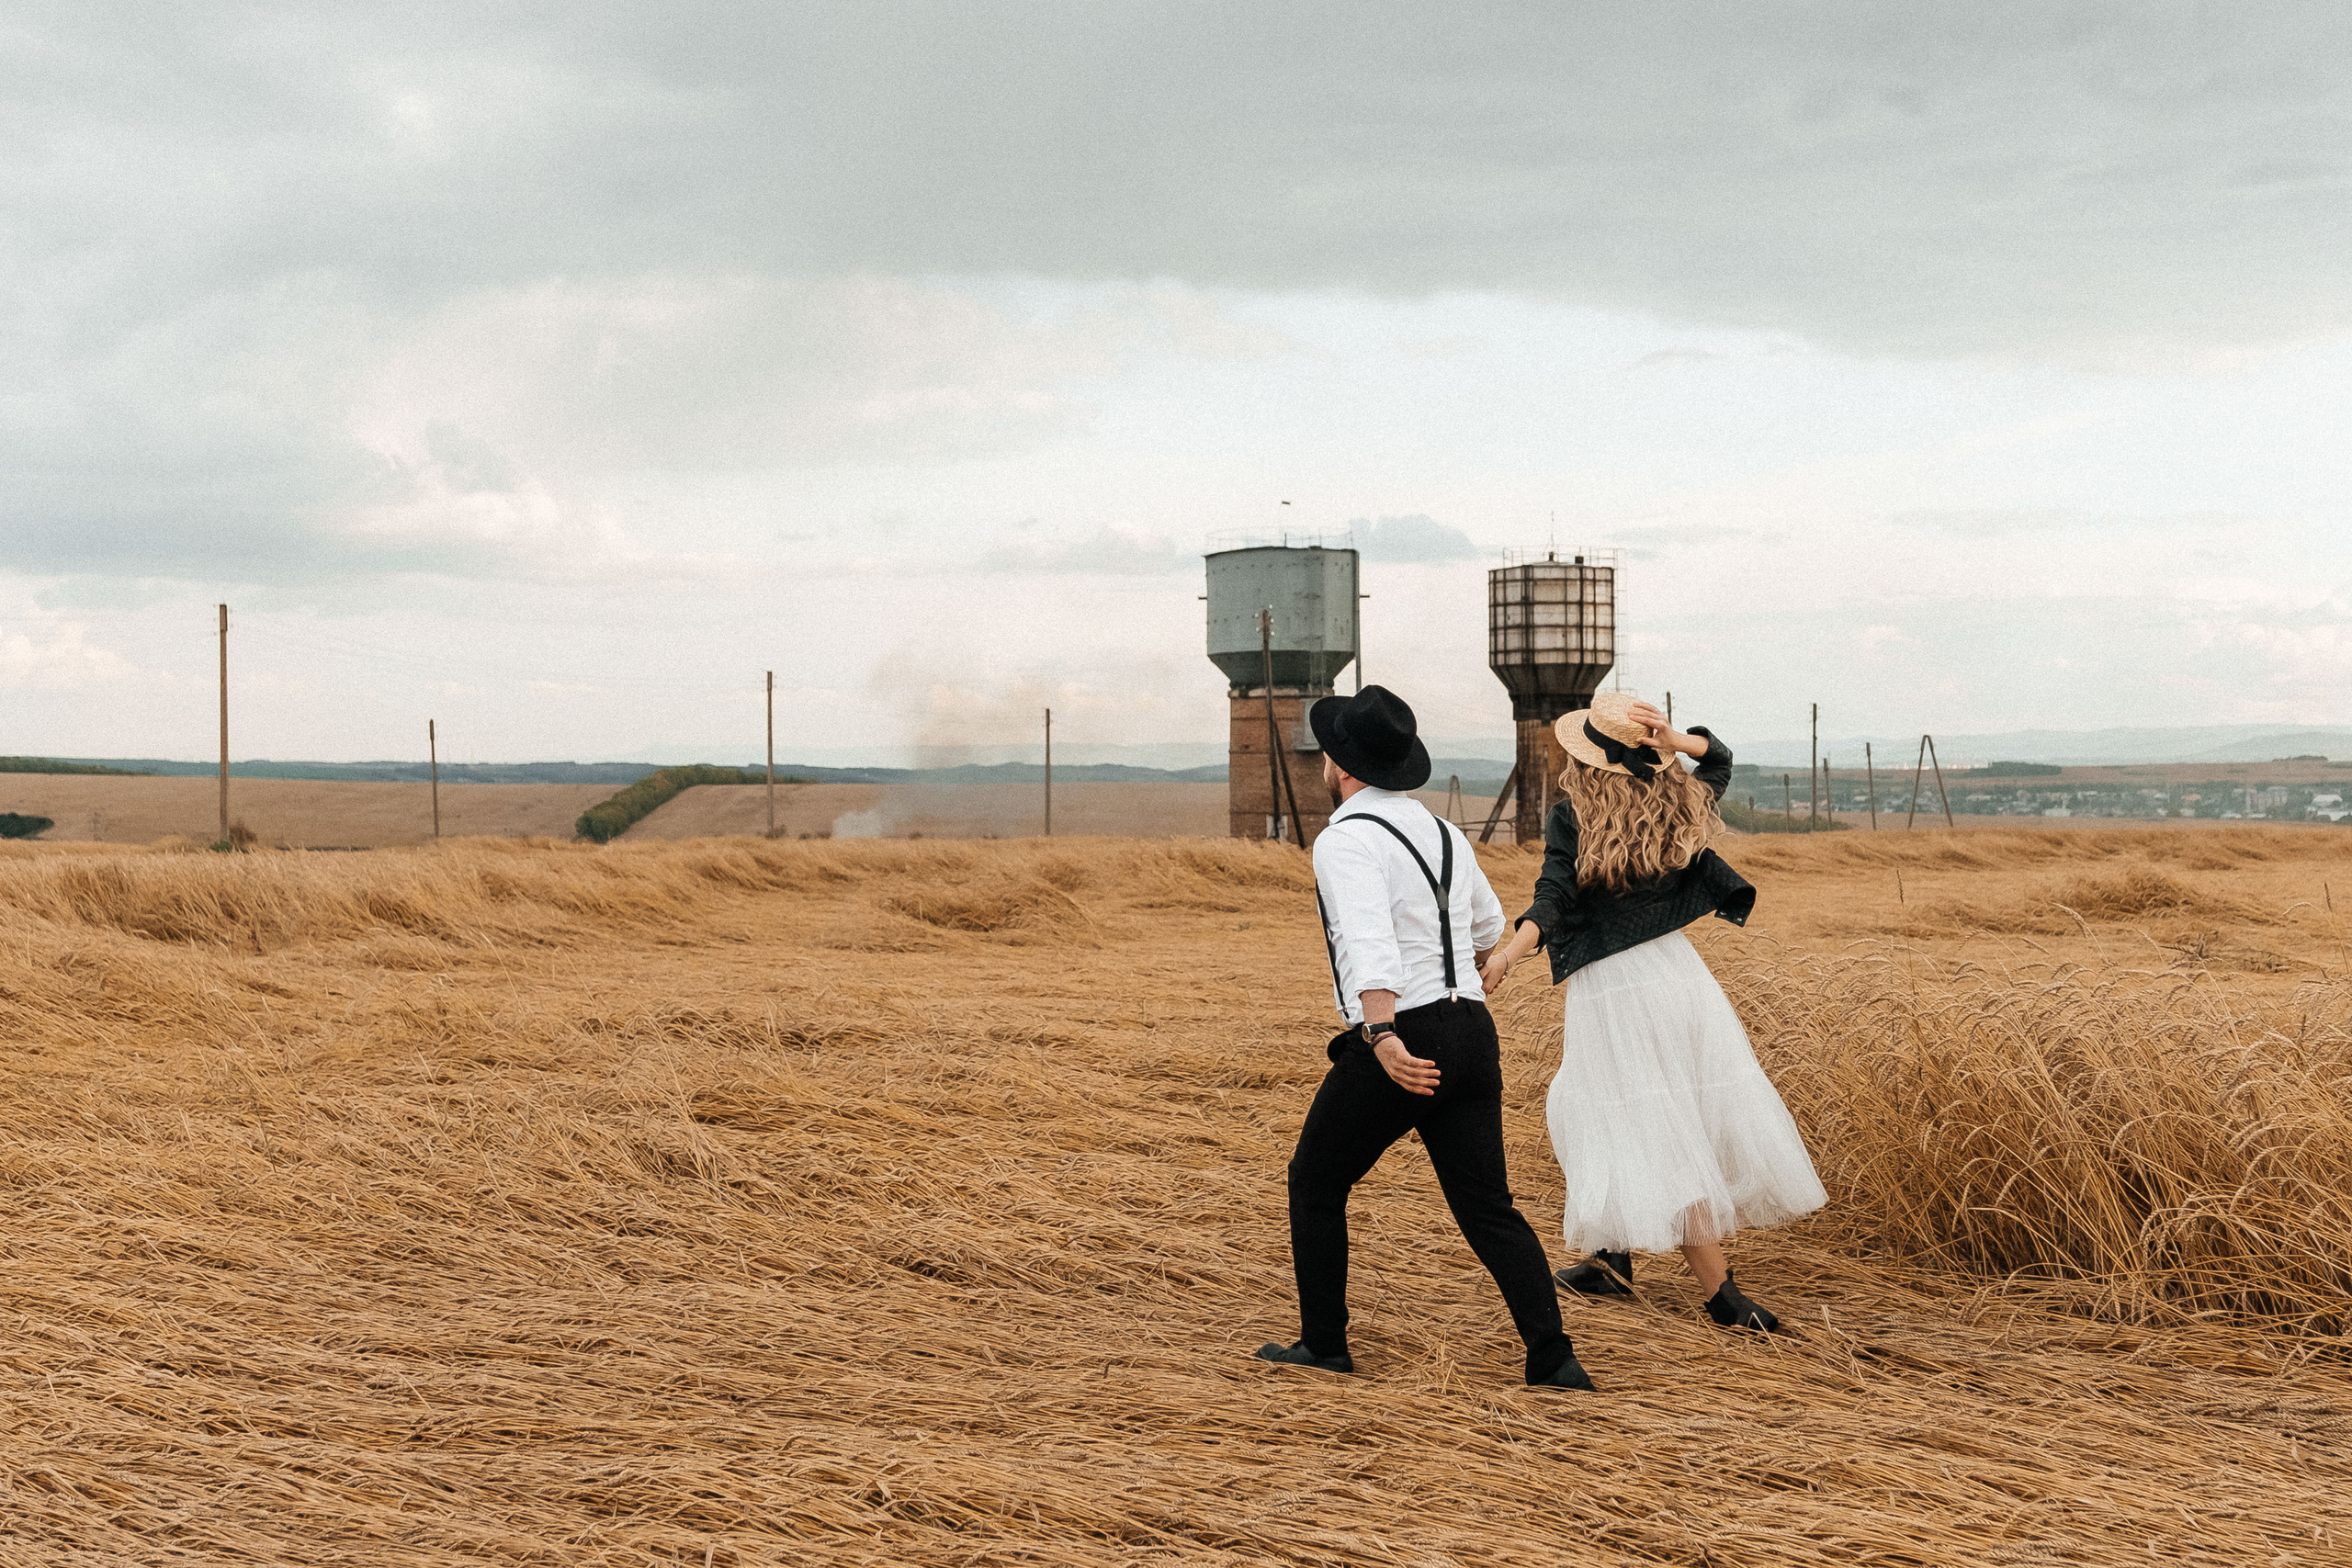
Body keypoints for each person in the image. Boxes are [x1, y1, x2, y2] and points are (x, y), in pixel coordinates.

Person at [1255, 685, 1596, 1391]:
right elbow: (1486, 924)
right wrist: (1464, 971)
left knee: (1314, 1179)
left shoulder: (1345, 839)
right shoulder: (1443, 833)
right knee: (1488, 1206)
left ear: (1341, 764)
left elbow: (1368, 941)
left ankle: (1324, 1344)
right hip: (1471, 1030)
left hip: (1403, 1034)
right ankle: (1553, 1356)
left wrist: (1381, 1032)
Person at [1481, 693, 1826, 1332]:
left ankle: (1722, 1295)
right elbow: (1719, 760)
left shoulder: (1573, 815)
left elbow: (1552, 896)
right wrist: (1675, 740)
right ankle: (1610, 1259)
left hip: (1616, 991)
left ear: (1586, 757)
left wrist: (1508, 953)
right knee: (1593, 1108)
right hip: (1677, 977)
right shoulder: (1676, 798)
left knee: (1652, 1127)